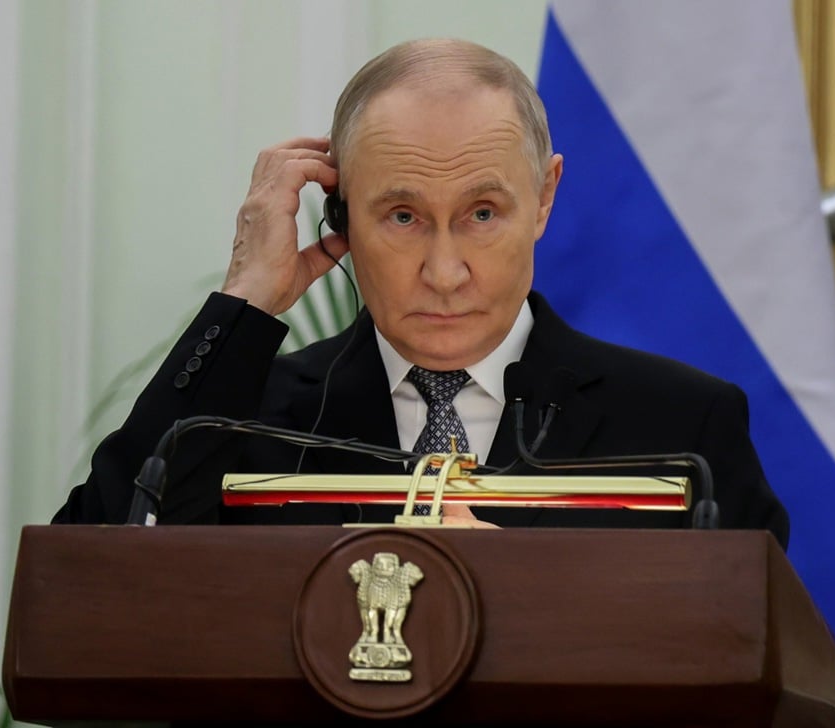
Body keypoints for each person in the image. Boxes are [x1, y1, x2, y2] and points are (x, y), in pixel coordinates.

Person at [54, 38, 789, 547]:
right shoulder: (239, 418)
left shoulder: (684, 425)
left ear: (543, 198)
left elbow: (754, 671)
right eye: (403, 217)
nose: (444, 272)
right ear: (340, 214)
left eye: (482, 214)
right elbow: (90, 599)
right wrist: (246, 301)